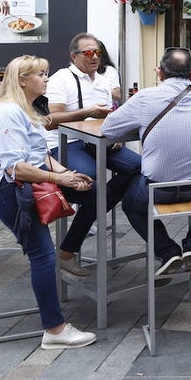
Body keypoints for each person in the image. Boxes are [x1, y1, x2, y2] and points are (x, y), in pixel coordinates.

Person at [0, 55, 97, 350]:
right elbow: (15, 167)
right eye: (41, 74)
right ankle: (55, 330)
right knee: (42, 255)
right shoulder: (9, 112)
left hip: (24, 185)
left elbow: (38, 154)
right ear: (22, 80)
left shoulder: (23, 109)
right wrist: (62, 180)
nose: (46, 79)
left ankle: (55, 320)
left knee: (94, 195)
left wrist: (66, 173)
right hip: (9, 190)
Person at [103, 47, 191, 280]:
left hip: (159, 191)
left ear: (160, 73)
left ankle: (167, 251)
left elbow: (109, 129)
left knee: (130, 203)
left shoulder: (145, 97)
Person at [45, 33, 142, 278]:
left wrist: (117, 133)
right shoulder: (61, 79)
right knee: (90, 183)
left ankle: (104, 206)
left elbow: (110, 116)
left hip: (100, 142)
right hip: (69, 143)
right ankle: (67, 251)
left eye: (97, 51)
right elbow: (51, 120)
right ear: (74, 56)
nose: (95, 56)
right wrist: (85, 112)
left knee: (140, 167)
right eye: (88, 53)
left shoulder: (102, 80)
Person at [95, 38, 122, 104]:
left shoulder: (109, 71)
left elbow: (117, 95)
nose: (94, 57)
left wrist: (96, 86)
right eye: (88, 53)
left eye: (97, 53)